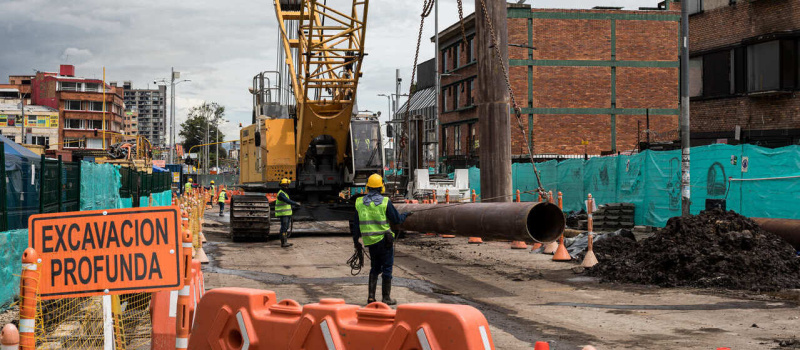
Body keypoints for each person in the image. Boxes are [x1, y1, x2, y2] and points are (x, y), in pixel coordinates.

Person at [351, 174, 413, 305]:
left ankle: (371, 297)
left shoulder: (359, 202)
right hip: (385, 241)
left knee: (374, 267)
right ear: (381, 187)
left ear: (367, 187)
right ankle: (386, 298)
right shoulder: (385, 202)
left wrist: (356, 241)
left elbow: (355, 225)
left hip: (370, 242)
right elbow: (396, 220)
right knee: (387, 268)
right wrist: (405, 215)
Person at [276, 178, 300, 248]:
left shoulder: (284, 193)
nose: (286, 187)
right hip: (283, 214)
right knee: (284, 228)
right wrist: (295, 203)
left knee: (285, 228)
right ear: (282, 186)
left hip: (287, 213)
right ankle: (283, 243)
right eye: (285, 185)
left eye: (287, 185)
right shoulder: (281, 194)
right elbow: (287, 201)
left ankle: (285, 242)